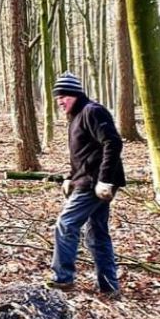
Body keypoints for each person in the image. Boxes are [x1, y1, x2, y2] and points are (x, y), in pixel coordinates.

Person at [47, 72, 125, 298]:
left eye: (64, 96)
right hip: (87, 179)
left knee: (65, 224)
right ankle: (109, 287)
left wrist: (105, 180)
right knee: (97, 233)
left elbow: (113, 142)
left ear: (75, 94)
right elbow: (83, 154)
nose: (60, 101)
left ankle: (63, 279)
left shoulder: (92, 111)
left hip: (94, 182)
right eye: (57, 98)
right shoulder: (76, 116)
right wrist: (70, 176)